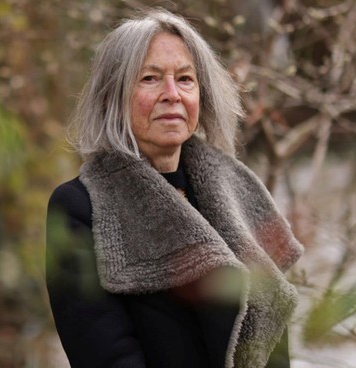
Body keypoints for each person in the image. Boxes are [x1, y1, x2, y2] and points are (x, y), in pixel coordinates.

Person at [46, 9, 304, 368]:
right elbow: (105, 355)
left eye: (185, 79)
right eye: (150, 78)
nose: (172, 94)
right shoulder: (81, 207)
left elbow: (272, 329)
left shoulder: (238, 191)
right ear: (111, 97)